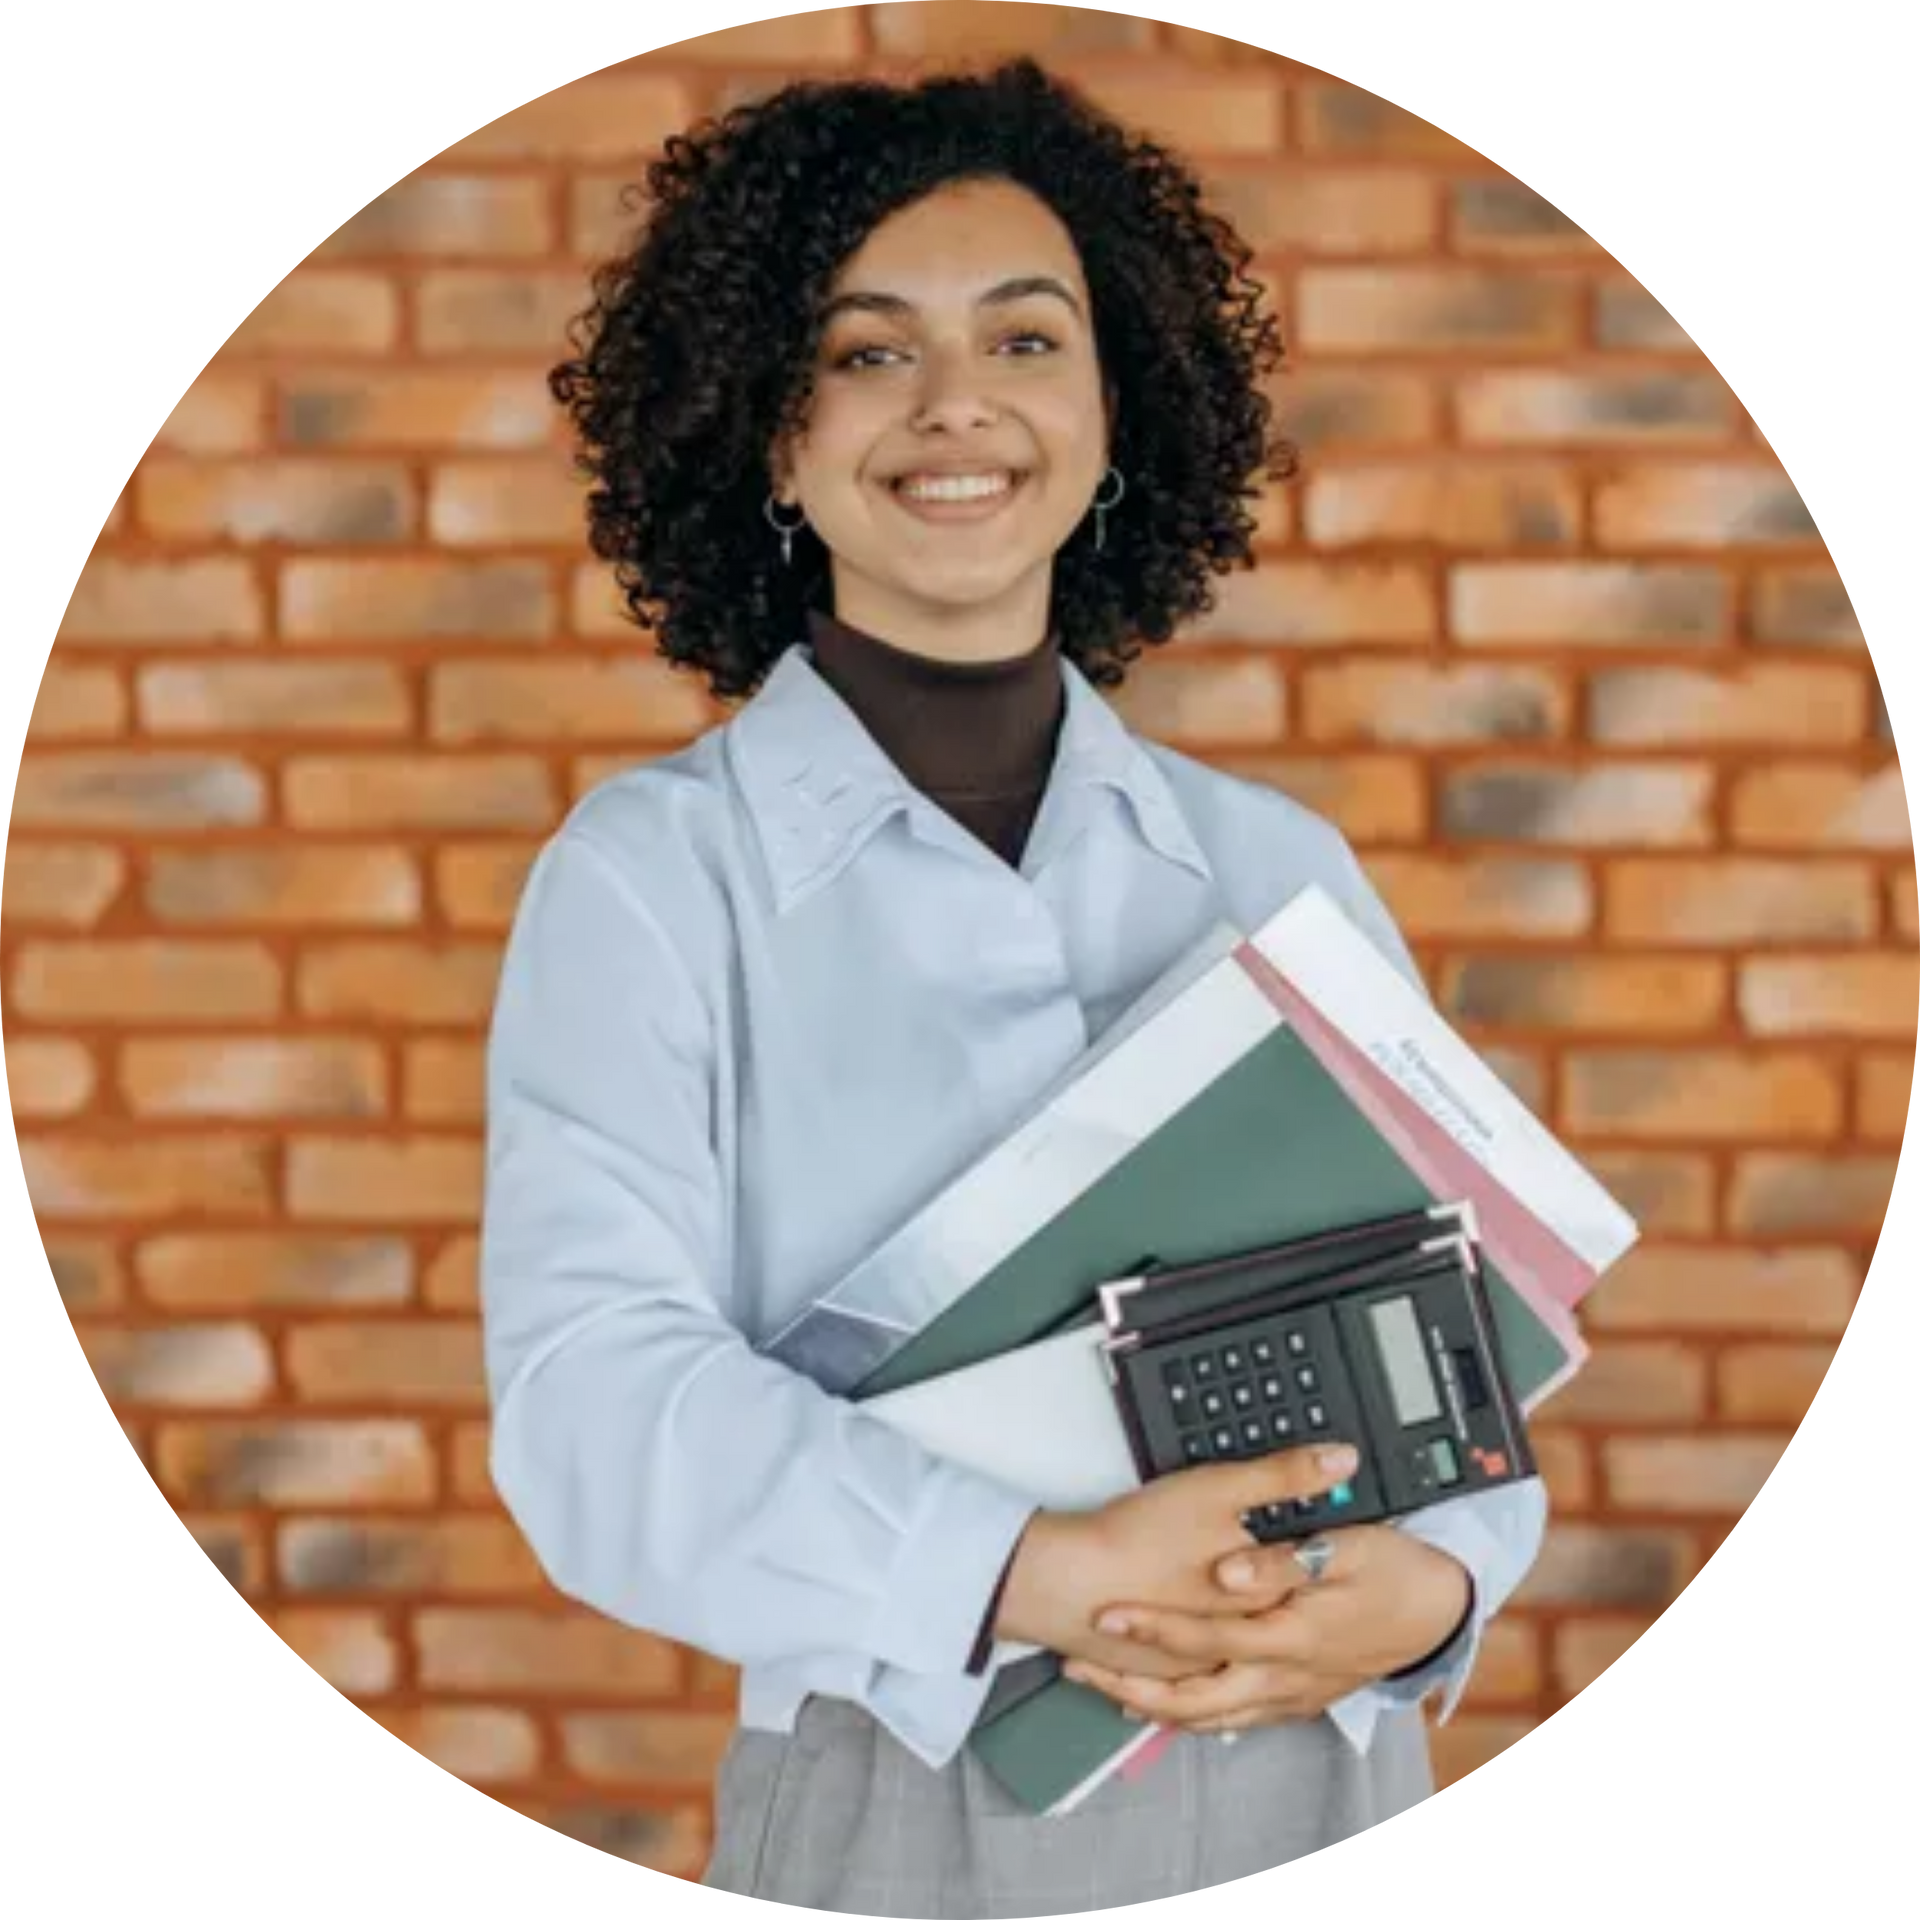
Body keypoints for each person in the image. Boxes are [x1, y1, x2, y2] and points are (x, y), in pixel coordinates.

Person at [481, 56, 1545, 1915]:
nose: (955, 405)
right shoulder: (655, 883)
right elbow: (597, 1414)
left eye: (1027, 339)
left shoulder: (1271, 864)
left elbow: (1465, 1325)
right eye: (869, 350)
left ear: (1119, 408)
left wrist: (1436, 1587)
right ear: (770, 436)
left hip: (1329, 1768)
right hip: (914, 1799)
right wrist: (1043, 1567)